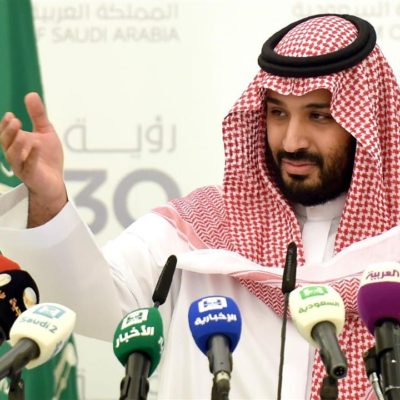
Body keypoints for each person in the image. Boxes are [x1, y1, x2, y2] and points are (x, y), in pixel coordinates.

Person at [0, 13, 399, 400]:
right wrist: (48, 201)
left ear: (366, 121)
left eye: (319, 116)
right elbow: (91, 303)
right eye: (278, 113)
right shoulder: (199, 228)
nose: (292, 141)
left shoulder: (392, 252)